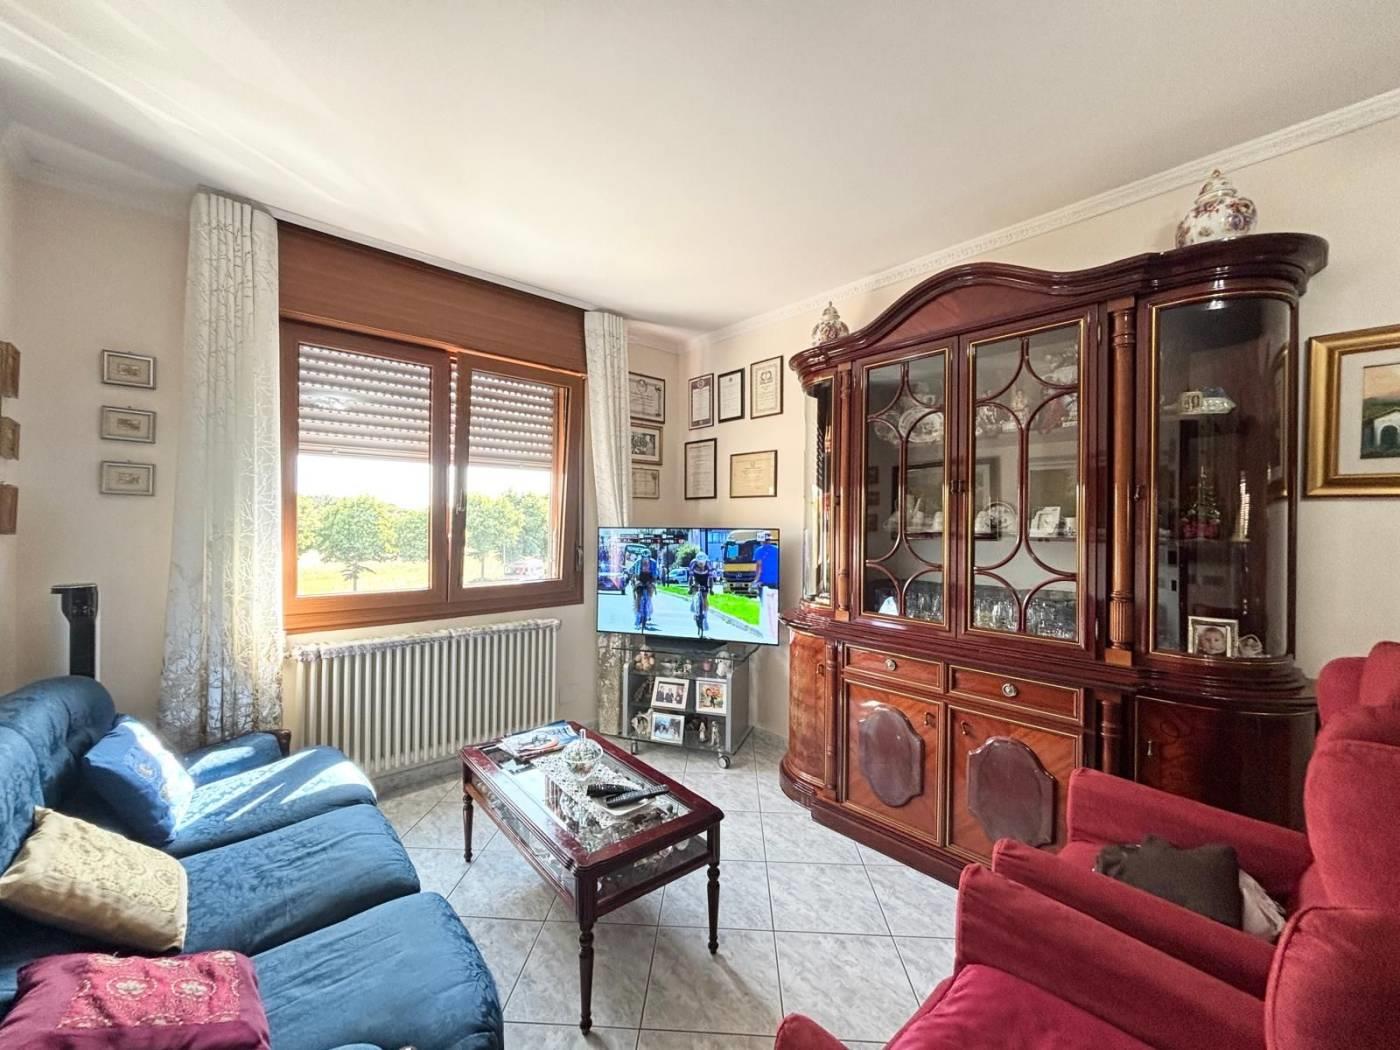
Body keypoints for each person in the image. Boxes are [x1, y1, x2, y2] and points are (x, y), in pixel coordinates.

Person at [754, 531, 780, 637]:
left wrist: (755, 581)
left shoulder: (759, 551)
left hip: (764, 583)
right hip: (777, 582)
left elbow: (759, 567)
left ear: (761, 541)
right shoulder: (777, 550)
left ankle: (768, 629)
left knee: (765, 605)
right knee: (776, 605)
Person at [629, 546, 660, 631]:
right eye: (643, 557)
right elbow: (633, 572)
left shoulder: (653, 563)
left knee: (649, 595)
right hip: (640, 579)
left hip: (649, 579)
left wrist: (653, 582)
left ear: (649, 557)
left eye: (647, 558)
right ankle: (637, 616)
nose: (645, 560)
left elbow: (655, 574)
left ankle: (648, 610)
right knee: (638, 596)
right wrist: (635, 581)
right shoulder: (638, 562)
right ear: (641, 557)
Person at [688, 552, 714, 638]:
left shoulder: (709, 564)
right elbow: (690, 577)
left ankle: (705, 618)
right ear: (696, 562)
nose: (701, 566)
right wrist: (690, 588)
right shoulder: (693, 563)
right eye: (699, 564)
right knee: (694, 587)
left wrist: (711, 589)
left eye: (703, 564)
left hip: (705, 578)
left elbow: (711, 579)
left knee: (705, 596)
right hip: (696, 577)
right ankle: (693, 601)